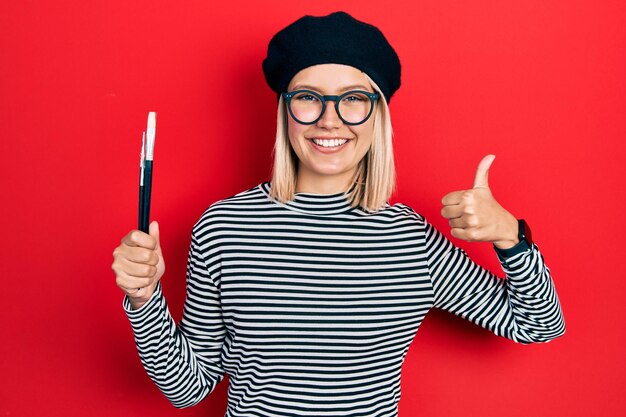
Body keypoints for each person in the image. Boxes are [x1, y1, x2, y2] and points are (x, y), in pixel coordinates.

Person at [111, 11, 565, 417]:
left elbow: (540, 325)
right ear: (285, 111)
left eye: (353, 99)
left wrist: (511, 236)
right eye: (309, 97)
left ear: (377, 118)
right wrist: (144, 299)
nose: (330, 119)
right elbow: (188, 390)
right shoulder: (224, 227)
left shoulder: (409, 239)